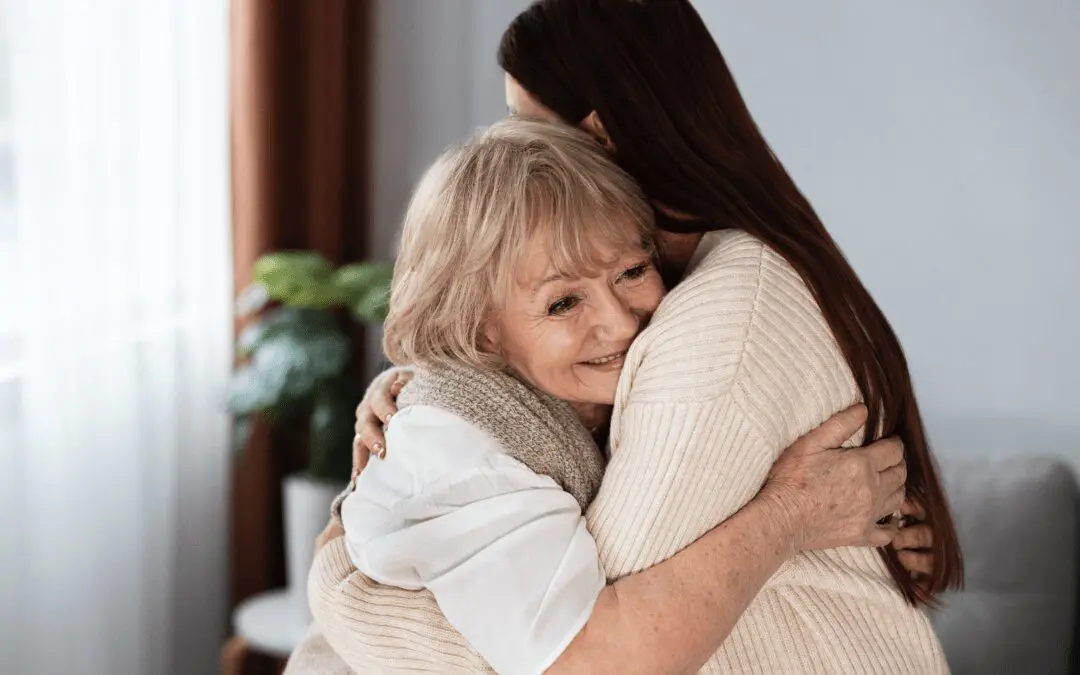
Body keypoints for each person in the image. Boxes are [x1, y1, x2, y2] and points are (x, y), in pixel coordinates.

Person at [330, 0, 964, 673]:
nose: (522, 158)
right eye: (565, 300)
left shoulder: (715, 321)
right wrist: (422, 395)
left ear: (599, 137)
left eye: (528, 128)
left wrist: (339, 579)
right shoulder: (720, 278)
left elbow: (601, 653)